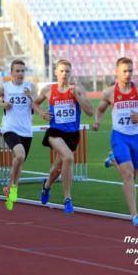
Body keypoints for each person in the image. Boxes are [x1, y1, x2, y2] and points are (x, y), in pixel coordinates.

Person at [93, 57, 138, 228]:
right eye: (124, 71)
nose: (128, 74)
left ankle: (113, 161)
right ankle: (135, 215)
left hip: (137, 138)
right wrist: (97, 122)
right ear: (117, 72)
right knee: (128, 174)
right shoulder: (109, 93)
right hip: (119, 137)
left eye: (130, 70)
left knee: (131, 177)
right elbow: (100, 110)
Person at [33, 59, 94, 214]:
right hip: (55, 133)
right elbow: (35, 103)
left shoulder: (77, 89)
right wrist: (41, 113)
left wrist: (77, 97)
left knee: (57, 169)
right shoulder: (48, 90)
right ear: (55, 72)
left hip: (72, 135)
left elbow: (90, 112)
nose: (64, 74)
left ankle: (46, 186)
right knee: (68, 158)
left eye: (67, 71)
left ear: (71, 73)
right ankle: (68, 199)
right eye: (61, 71)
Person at [0, 59, 36, 210]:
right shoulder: (5, 87)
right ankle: (12, 187)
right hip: (10, 128)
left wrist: (31, 97)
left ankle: (11, 188)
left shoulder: (30, 86)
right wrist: (3, 104)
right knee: (20, 155)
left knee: (20, 162)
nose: (20, 73)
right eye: (17, 71)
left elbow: (38, 106)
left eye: (22, 71)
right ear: (11, 73)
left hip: (26, 130)